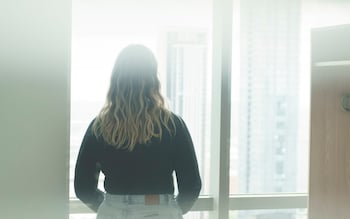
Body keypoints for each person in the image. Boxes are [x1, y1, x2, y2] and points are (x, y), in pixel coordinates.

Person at [74, 44, 202, 219]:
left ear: (116, 79)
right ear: (153, 80)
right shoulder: (173, 125)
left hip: (113, 212)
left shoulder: (99, 127)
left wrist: (111, 206)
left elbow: (82, 187)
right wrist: (170, 209)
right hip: (161, 211)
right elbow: (191, 186)